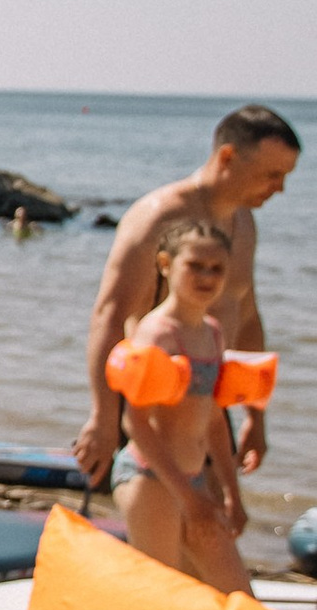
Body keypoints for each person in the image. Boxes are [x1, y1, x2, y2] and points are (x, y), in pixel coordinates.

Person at [76, 103, 300, 488]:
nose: (279, 188)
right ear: (228, 157)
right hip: (152, 413)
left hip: (209, 411)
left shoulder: (244, 225)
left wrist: (255, 417)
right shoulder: (157, 217)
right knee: (171, 535)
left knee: (216, 530)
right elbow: (109, 316)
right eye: (272, 174)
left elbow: (246, 318)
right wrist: (102, 417)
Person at [112, 218, 255, 594]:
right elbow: (135, 424)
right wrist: (189, 499)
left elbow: (213, 421)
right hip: (151, 478)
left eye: (217, 269)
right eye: (195, 265)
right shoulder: (157, 333)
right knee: (162, 598)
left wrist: (230, 494)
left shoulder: (212, 331)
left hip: (194, 482)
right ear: (165, 264)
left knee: (238, 599)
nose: (207, 276)